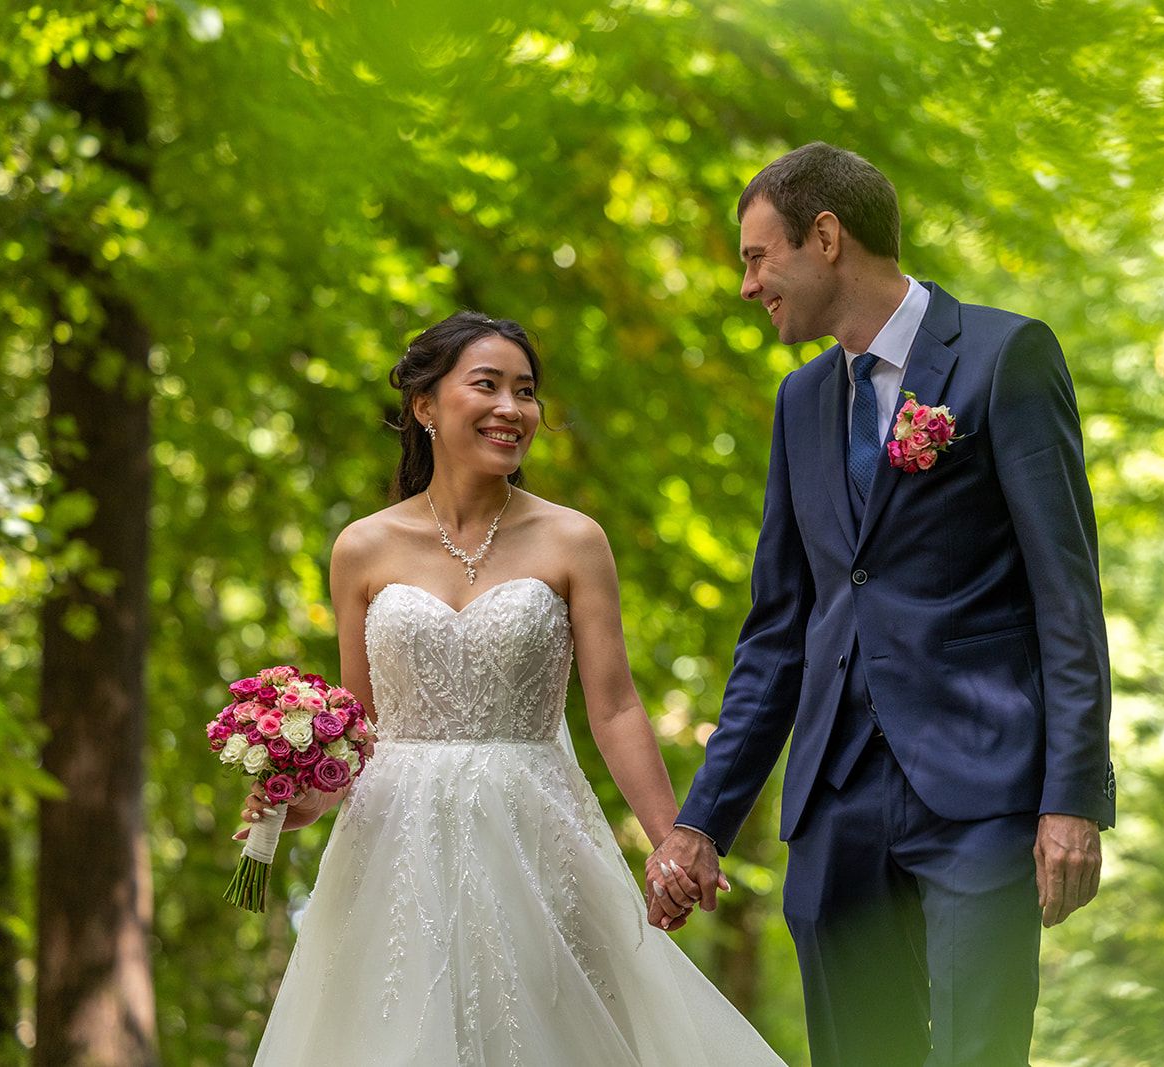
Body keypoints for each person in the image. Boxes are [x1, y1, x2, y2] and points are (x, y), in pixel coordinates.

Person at [642, 143, 1116, 1066]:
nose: (747, 286)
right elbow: (779, 631)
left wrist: (1073, 797)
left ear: (825, 238)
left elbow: (1068, 592)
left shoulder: (1004, 357)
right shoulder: (802, 400)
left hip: (982, 793)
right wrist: (702, 823)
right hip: (835, 802)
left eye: (755, 256)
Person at [235, 311, 783, 1065]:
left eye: (525, 392)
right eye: (486, 385)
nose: (512, 408)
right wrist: (304, 800)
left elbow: (615, 705)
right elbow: (358, 730)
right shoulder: (362, 547)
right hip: (395, 845)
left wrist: (670, 843)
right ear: (426, 406)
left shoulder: (573, 539)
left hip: (534, 831)